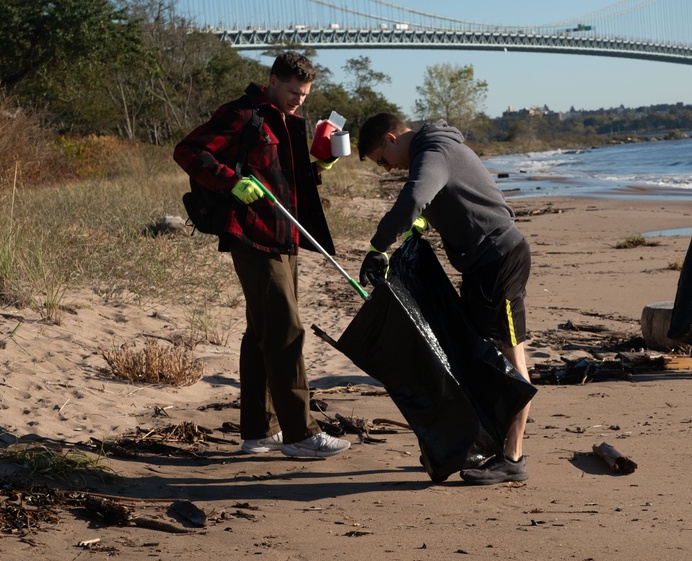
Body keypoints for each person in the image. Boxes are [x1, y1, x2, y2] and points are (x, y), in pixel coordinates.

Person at [173, 51, 351, 458]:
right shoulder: (242, 114)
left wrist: (321, 165)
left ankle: (258, 431)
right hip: (252, 236)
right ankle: (301, 435)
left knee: (261, 333)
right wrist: (230, 182)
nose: (299, 100)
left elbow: (284, 181)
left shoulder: (286, 121)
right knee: (287, 329)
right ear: (272, 81)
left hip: (285, 236)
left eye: (305, 95)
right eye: (293, 91)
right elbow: (188, 151)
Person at [357, 113, 532, 485]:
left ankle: (513, 458)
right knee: (477, 352)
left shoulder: (433, 150)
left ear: (390, 138)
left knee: (506, 355)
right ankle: (488, 444)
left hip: (500, 258)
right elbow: (445, 197)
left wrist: (377, 246)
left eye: (382, 160)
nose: (387, 168)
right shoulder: (436, 147)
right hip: (483, 263)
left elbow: (415, 197)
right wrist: (424, 222)